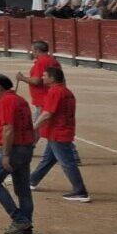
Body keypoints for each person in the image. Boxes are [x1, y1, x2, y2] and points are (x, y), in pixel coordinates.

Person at [0, 74, 36, 234]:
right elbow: (20, 126)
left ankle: (20, 220)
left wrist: (5, 155)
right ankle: (25, 228)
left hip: (13, 150)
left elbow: (9, 129)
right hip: (26, 148)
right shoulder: (20, 100)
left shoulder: (6, 101)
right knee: (23, 189)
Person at [30, 66, 90, 202]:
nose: (42, 78)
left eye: (44, 76)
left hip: (58, 133)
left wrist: (33, 127)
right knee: (48, 159)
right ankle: (32, 180)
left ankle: (80, 191)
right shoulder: (65, 91)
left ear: (52, 78)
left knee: (67, 163)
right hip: (60, 131)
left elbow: (47, 114)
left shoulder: (55, 92)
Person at [15, 40, 79, 164]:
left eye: (33, 50)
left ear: (38, 51)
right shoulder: (53, 61)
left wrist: (22, 78)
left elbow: (37, 81)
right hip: (53, 98)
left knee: (38, 126)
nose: (32, 52)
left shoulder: (41, 62)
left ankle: (25, 149)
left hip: (45, 100)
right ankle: (28, 148)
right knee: (47, 128)